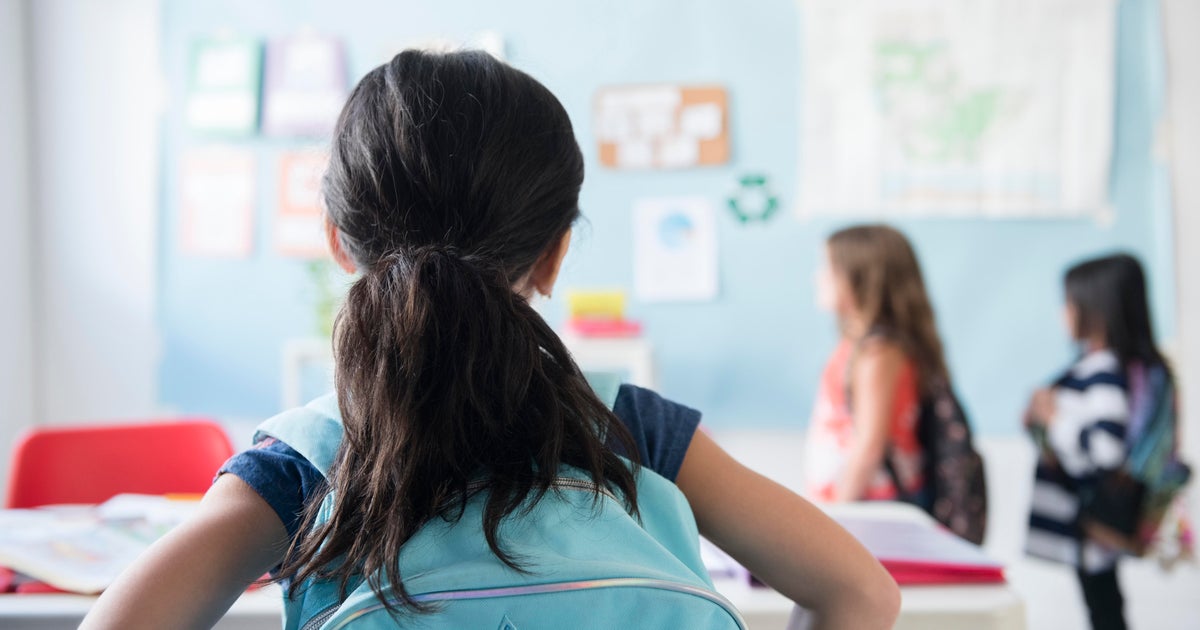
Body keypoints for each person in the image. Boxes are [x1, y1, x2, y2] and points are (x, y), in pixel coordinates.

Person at [81, 50, 899, 629]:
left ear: (337, 240)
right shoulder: (631, 430)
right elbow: (862, 595)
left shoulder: (307, 459)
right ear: (555, 254)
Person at [1025, 253, 1173, 630]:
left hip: (1090, 522)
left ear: (1096, 310)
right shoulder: (1113, 370)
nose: (1063, 314)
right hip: (1091, 523)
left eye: (1070, 304)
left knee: (1104, 609)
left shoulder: (1102, 373)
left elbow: (1104, 450)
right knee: (1104, 604)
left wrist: (1054, 418)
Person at [804, 224, 949, 504]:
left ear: (861, 278)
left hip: (872, 504)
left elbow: (870, 445)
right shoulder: (858, 344)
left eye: (828, 268)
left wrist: (836, 515)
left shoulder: (878, 352)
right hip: (862, 503)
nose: (817, 277)